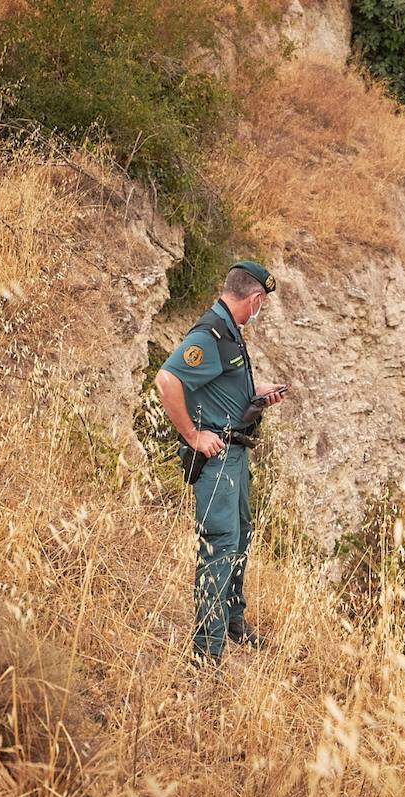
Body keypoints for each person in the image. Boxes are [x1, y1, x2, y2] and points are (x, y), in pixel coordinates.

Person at [155, 260, 288, 666]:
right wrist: (193, 435)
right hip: (217, 462)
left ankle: (232, 621)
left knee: (241, 535)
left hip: (235, 453)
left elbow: (217, 388)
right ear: (255, 298)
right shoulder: (209, 334)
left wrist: (255, 392)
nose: (259, 310)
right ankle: (206, 654)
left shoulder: (229, 332)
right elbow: (167, 381)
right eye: (260, 303)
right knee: (219, 548)